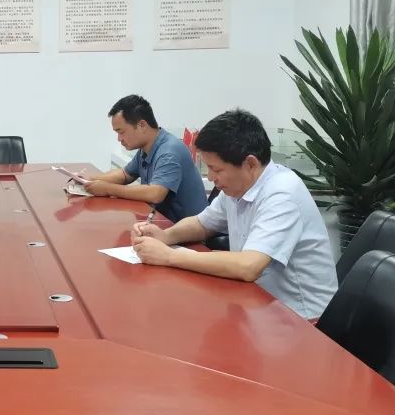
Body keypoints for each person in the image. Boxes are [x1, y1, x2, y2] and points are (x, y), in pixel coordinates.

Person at [130, 109, 338, 321]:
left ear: (250, 163)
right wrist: (165, 236)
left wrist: (168, 256)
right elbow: (203, 224)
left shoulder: (282, 193)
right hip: (258, 302)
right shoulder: (238, 188)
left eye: (216, 169)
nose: (211, 177)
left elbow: (249, 266)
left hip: (302, 319)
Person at [83, 95, 208, 223]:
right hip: (160, 223)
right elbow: (125, 174)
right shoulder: (146, 148)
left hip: (187, 231)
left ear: (142, 125)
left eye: (121, 132)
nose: (119, 139)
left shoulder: (169, 152)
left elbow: (155, 194)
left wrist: (107, 188)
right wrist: (87, 180)